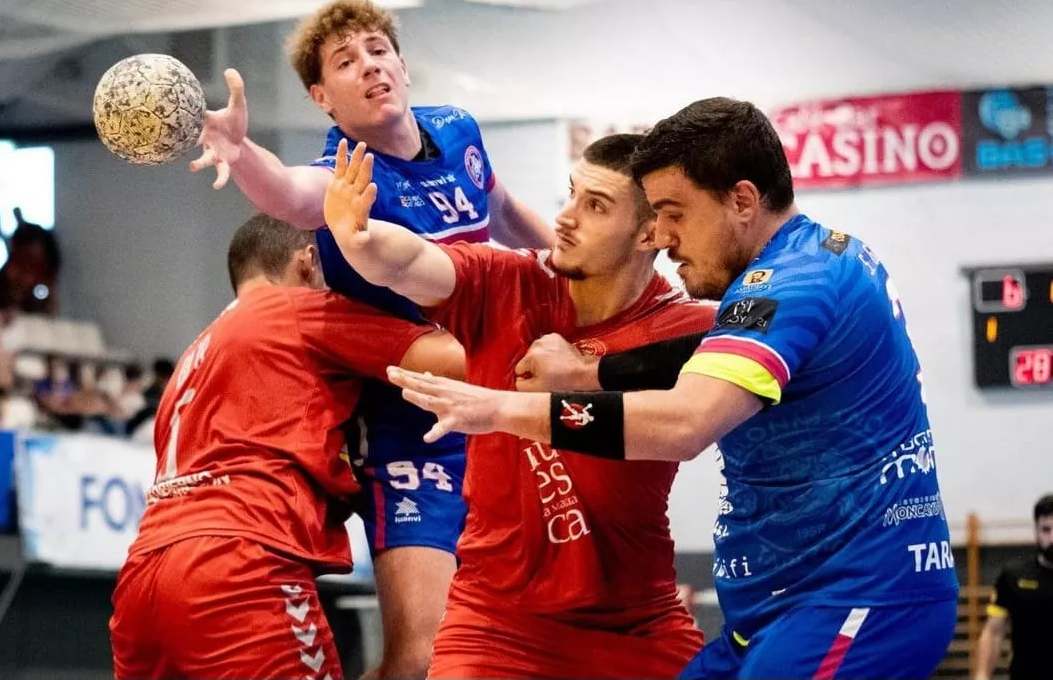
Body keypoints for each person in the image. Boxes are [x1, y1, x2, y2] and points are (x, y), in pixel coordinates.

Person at [385, 98, 961, 680]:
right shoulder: (818, 256)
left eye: (674, 213)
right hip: (780, 607)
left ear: (741, 200)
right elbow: (699, 358)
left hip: (853, 599)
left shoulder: (789, 284)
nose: (664, 236)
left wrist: (503, 407)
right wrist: (594, 373)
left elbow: (685, 423)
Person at [189, 0, 553, 678]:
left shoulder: (458, 128)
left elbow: (501, 210)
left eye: (377, 51)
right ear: (322, 97)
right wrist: (241, 154)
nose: (369, 67)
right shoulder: (345, 177)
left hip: (500, 407)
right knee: (422, 656)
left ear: (403, 65)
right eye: (345, 62)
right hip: (414, 434)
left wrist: (570, 266)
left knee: (519, 636)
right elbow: (292, 196)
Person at [322, 132, 710, 678]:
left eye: (595, 206)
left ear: (650, 232)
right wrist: (359, 240)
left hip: (635, 623)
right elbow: (413, 261)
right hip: (493, 620)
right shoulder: (507, 280)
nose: (567, 218)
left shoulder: (688, 328)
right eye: (572, 195)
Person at [108, 214, 464, 680]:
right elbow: (448, 364)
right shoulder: (296, 309)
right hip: (235, 562)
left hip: (143, 576)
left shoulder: (195, 354)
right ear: (308, 261)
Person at [975, 494, 1053, 680]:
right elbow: (993, 632)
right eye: (1046, 529)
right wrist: (981, 675)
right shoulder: (1014, 576)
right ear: (1036, 531)